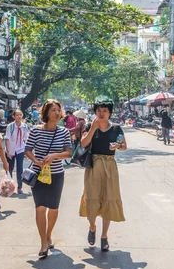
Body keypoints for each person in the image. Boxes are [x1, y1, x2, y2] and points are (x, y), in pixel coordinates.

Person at [24, 100, 72, 259]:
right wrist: (36, 161)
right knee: (40, 207)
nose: (57, 113)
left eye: (59, 110)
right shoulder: (36, 131)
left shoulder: (64, 132)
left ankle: (49, 234)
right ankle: (43, 242)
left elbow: (68, 153)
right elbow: (28, 150)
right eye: (53, 110)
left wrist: (54, 156)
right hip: (38, 174)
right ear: (46, 113)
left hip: (56, 174)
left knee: (53, 208)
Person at [79, 100, 127, 253]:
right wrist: (93, 128)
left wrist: (117, 146)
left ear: (110, 113)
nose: (101, 113)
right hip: (93, 166)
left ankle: (104, 236)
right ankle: (92, 227)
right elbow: (83, 143)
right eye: (98, 110)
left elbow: (124, 146)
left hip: (110, 167)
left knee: (109, 199)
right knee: (91, 198)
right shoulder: (89, 126)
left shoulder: (116, 128)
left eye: (104, 110)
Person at [4, 109, 29, 195]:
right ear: (13, 116)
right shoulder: (10, 126)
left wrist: (27, 150)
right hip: (10, 150)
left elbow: (26, 138)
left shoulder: (25, 126)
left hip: (20, 149)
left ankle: (19, 187)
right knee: (9, 168)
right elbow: (7, 139)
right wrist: (7, 151)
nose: (19, 116)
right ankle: (9, 187)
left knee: (20, 168)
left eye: (20, 115)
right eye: (17, 115)